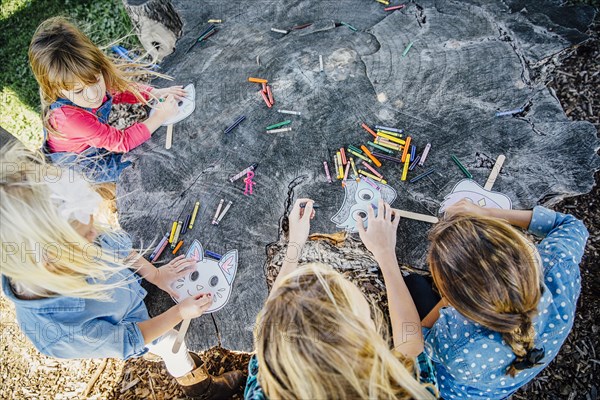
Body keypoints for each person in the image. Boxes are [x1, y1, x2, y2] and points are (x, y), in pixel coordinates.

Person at [0, 141, 243, 399]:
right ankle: (200, 388)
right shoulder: (59, 332)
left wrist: (156, 275)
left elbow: (115, 245)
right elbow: (130, 338)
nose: (97, 233)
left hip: (127, 293)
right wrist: (180, 311)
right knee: (172, 342)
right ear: (51, 261)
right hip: (131, 322)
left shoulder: (69, 243)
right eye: (88, 236)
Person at [244, 198, 439, 399]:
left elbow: (270, 328)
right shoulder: (411, 391)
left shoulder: (266, 387)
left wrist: (295, 245)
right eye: (366, 313)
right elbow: (411, 346)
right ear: (367, 338)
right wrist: (385, 253)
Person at [411, 199, 588, 399]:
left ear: (457, 302)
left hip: (455, 392)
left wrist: (386, 256)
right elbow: (570, 225)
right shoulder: (557, 265)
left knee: (414, 284)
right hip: (498, 381)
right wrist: (485, 213)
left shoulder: (457, 342)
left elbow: (411, 341)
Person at [28, 17, 187, 183]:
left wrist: (155, 93)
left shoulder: (85, 79)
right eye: (79, 91)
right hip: (85, 164)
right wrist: (159, 117)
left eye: (96, 80)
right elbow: (123, 142)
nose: (93, 95)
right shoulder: (70, 119)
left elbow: (118, 90)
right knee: (138, 169)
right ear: (56, 90)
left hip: (91, 140)